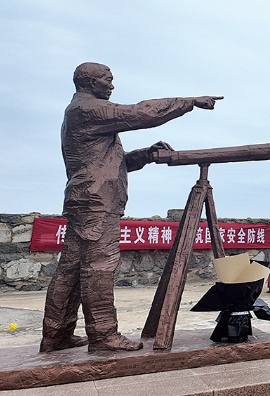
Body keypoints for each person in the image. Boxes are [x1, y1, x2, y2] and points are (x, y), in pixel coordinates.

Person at [41, 63, 221, 353]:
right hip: (96, 203)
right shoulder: (87, 109)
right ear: (90, 82)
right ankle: (103, 335)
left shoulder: (82, 113)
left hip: (86, 200)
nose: (112, 86)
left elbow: (113, 163)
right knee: (99, 267)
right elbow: (142, 113)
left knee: (71, 270)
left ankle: (56, 334)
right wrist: (189, 102)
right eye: (107, 80)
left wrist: (147, 155)